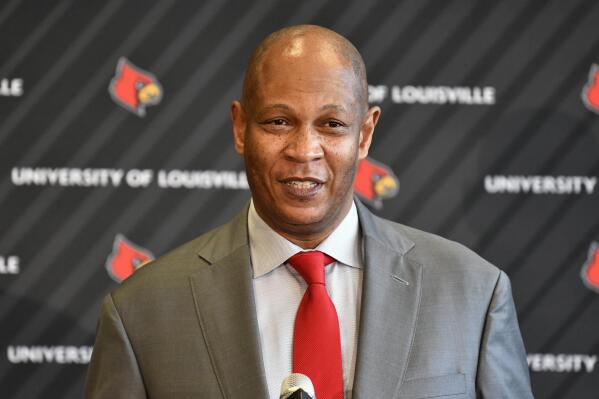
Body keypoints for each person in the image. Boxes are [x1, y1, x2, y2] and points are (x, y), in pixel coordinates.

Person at [85, 25, 533, 399]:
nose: (304, 151)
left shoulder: (474, 293)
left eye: (332, 125)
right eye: (278, 121)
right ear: (241, 128)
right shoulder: (140, 312)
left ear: (365, 134)